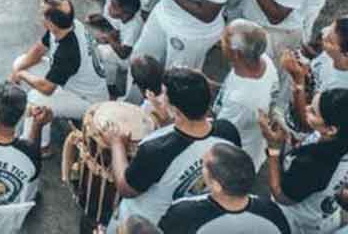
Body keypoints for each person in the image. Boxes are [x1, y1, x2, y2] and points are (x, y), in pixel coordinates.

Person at [105, 67, 241, 228]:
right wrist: (168, 123)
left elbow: (125, 188)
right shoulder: (228, 131)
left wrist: (117, 144)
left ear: (176, 110)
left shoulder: (155, 150)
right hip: (191, 222)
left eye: (164, 94)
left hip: (145, 225)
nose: (160, 98)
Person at [10, 0, 108, 151]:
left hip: (87, 100)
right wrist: (18, 70)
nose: (40, 16)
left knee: (37, 99)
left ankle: (38, 147)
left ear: (51, 23)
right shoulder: (68, 25)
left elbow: (47, 88)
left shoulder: (68, 51)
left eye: (43, 13)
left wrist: (21, 75)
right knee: (20, 62)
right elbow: (39, 48)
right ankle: (45, 115)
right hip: (71, 81)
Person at [259, 88, 348, 234]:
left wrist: (273, 149)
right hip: (323, 214)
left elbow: (281, 196)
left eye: (313, 112)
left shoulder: (315, 164)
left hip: (297, 223)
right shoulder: (338, 139)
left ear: (331, 129)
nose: (306, 109)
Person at [157, 143, 291, 233]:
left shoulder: (183, 213)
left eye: (204, 165)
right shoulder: (271, 211)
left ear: (216, 185)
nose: (201, 168)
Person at [211, 19, 279, 171]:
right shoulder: (264, 61)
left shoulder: (241, 101)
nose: (220, 42)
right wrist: (209, 85)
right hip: (254, 143)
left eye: (224, 40)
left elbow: (220, 131)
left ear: (236, 54)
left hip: (234, 158)